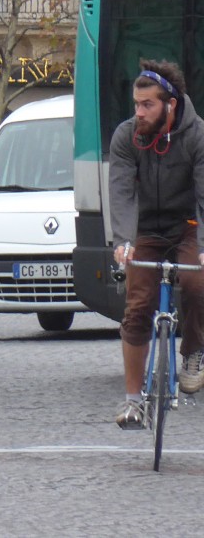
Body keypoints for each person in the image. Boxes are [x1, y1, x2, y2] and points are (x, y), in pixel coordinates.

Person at [109, 59, 204, 428]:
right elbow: (120, 192)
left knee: (197, 285)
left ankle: (193, 352)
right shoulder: (126, 137)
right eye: (136, 104)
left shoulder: (197, 136)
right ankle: (133, 401)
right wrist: (124, 242)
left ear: (171, 104)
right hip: (146, 229)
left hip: (188, 226)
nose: (139, 112)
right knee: (137, 308)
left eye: (147, 104)